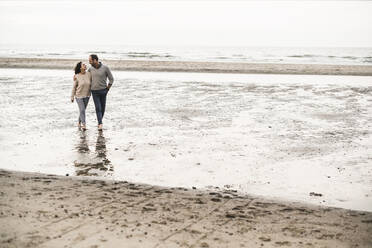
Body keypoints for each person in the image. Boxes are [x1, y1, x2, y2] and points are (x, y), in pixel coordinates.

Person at [88, 54, 114, 131]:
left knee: (103, 108)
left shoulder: (105, 68)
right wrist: (76, 76)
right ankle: (100, 123)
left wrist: (107, 89)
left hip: (103, 91)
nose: (89, 62)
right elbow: (85, 77)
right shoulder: (90, 69)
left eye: (90, 61)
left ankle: (99, 121)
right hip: (94, 91)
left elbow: (111, 79)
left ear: (95, 60)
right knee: (98, 108)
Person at [71, 62, 91, 130]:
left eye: (85, 65)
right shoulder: (76, 76)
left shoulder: (89, 74)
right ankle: (84, 124)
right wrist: (72, 97)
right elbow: (74, 87)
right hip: (79, 96)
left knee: (82, 110)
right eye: (83, 65)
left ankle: (79, 122)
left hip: (87, 95)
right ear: (80, 67)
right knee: (82, 110)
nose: (85, 65)